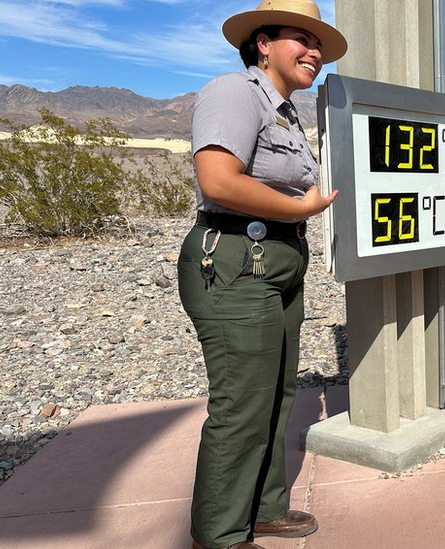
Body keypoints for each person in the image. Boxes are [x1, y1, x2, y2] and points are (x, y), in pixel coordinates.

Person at [176, 1, 346, 548]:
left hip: (277, 261)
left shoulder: (288, 112)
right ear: (263, 43)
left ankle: (265, 508)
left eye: (319, 44)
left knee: (276, 393)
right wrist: (301, 210)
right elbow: (218, 181)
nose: (314, 52)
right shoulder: (234, 92)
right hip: (233, 260)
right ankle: (220, 533)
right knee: (242, 401)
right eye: (302, 38)